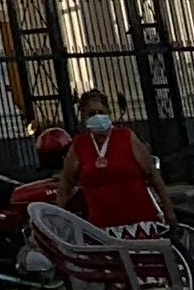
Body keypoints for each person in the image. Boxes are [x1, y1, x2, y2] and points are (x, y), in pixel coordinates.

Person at [55, 96, 169, 233]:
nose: (97, 117)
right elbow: (66, 183)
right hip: (102, 229)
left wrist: (168, 210)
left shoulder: (126, 137)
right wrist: (58, 219)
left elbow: (152, 174)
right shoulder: (79, 145)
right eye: (92, 114)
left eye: (101, 112)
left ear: (108, 113)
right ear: (84, 117)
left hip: (140, 226)